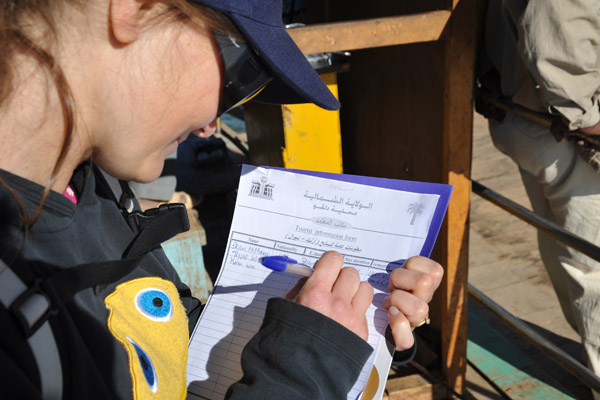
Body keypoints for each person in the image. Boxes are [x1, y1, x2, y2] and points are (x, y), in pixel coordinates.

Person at [0, 0, 444, 399]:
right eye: (238, 72)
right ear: (134, 9)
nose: (212, 125)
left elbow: (160, 351)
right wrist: (308, 366)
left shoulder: (94, 189)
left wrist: (350, 339)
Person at [479, 0, 600, 388]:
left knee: (574, 254)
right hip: (568, 126)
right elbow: (557, 20)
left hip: (539, 112)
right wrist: (590, 116)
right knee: (590, 264)